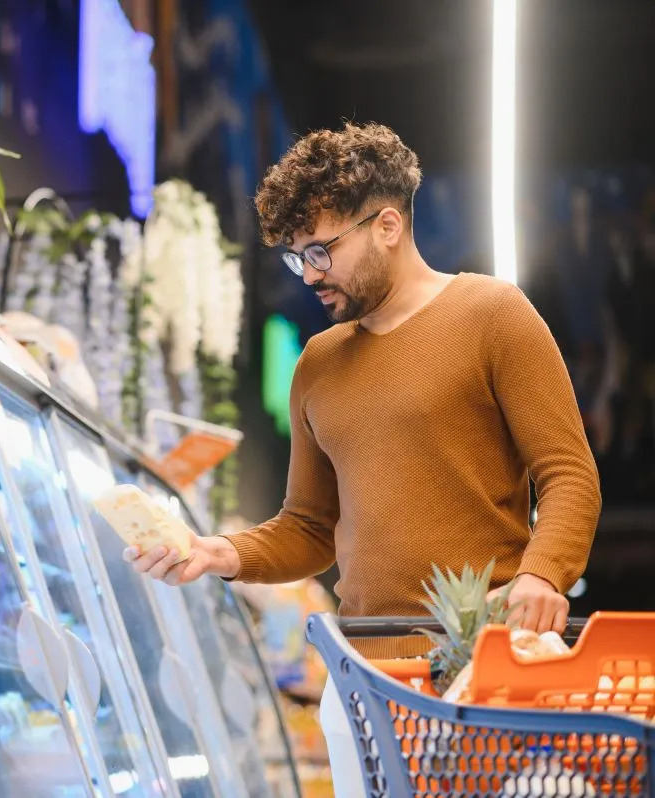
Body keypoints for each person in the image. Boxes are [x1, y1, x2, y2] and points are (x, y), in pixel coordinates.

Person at [124, 121, 601, 796]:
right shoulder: (317, 366)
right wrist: (217, 553)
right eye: (296, 258)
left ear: (386, 225)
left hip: (487, 672)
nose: (309, 275)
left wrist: (545, 576)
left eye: (321, 251)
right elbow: (310, 528)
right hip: (360, 682)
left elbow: (569, 475)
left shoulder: (494, 315)